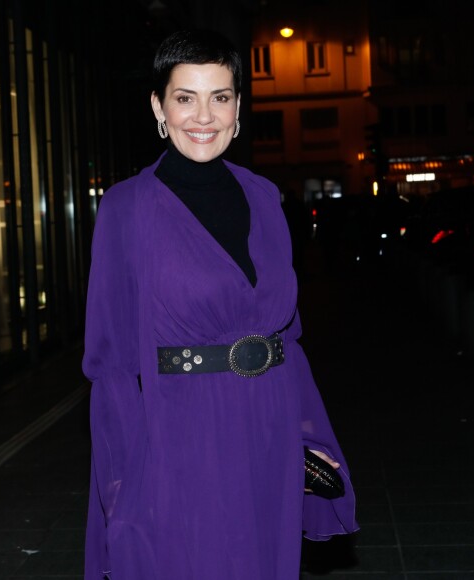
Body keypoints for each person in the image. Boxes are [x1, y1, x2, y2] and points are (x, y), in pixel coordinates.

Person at [83, 29, 358, 580]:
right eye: (185, 98)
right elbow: (110, 361)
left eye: (221, 96)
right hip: (181, 435)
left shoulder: (264, 195)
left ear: (238, 109)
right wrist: (125, 480)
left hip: (271, 425)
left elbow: (288, 335)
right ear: (159, 107)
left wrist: (309, 435)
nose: (203, 116)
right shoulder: (126, 208)